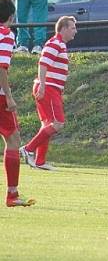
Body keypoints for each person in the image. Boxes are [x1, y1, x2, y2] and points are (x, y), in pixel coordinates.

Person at [19, 16, 78, 171]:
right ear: (63, 28)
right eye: (72, 28)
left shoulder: (60, 45)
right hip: (49, 88)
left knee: (47, 125)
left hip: (52, 88)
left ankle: (39, 161)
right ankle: (28, 149)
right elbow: (43, 64)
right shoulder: (55, 43)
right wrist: (43, 86)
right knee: (57, 123)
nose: (75, 31)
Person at [0, 0, 35, 207]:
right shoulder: (6, 34)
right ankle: (12, 194)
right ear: (11, 17)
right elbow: (2, 68)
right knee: (13, 139)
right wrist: (9, 96)